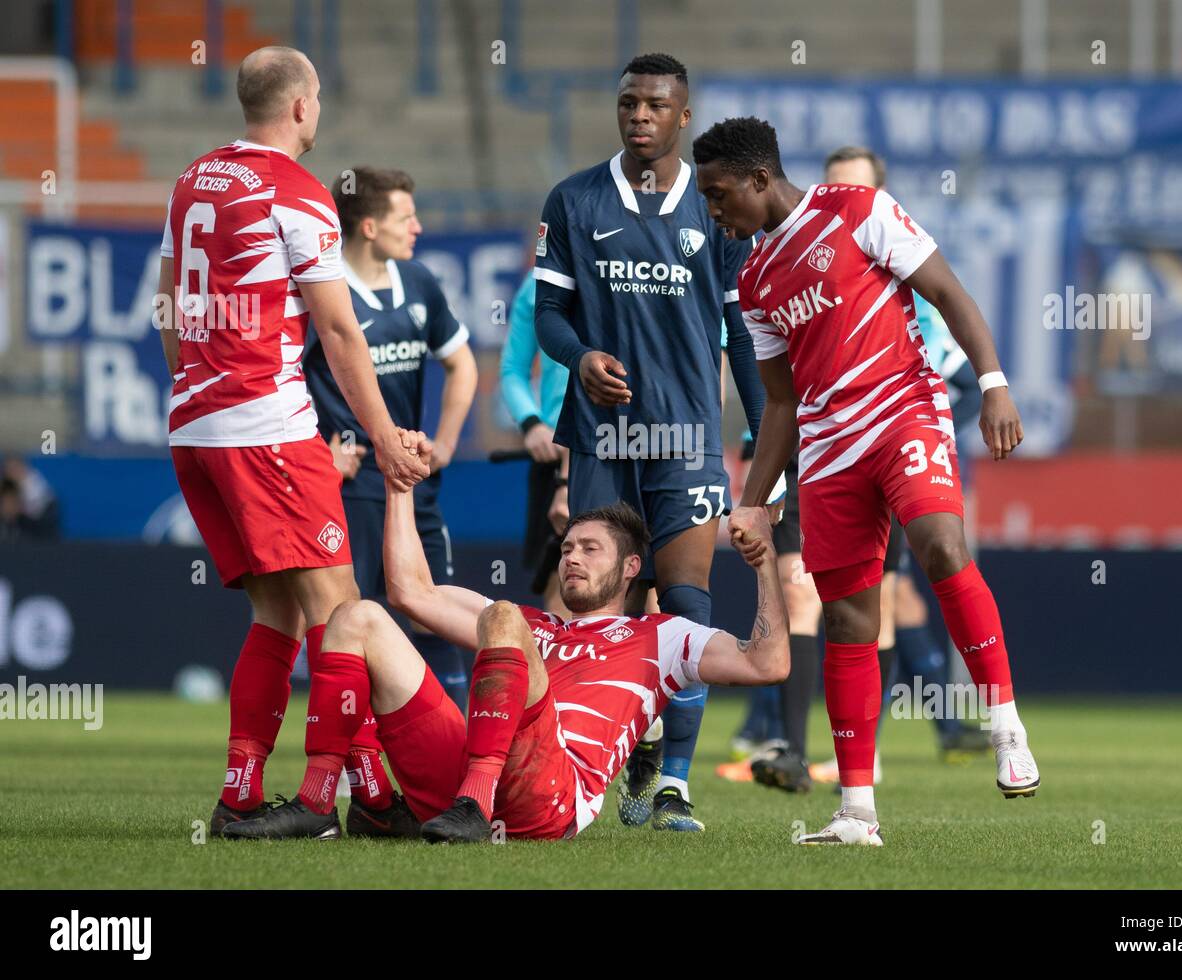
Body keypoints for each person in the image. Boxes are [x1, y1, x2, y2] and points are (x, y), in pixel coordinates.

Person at [694, 116, 1040, 846]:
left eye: (720, 196)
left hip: (905, 412)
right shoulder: (753, 282)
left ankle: (1005, 726)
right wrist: (752, 502)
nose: (716, 212)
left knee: (942, 545)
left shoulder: (858, 210)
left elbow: (949, 294)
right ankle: (856, 813)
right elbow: (782, 403)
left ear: (760, 179)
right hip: (827, 453)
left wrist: (996, 385)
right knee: (850, 621)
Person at [221, 430, 790, 841]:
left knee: (503, 617)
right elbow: (412, 593)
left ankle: (473, 801)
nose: (572, 559)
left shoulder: (662, 636)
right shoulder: (532, 624)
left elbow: (767, 663)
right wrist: (399, 487)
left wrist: (765, 562)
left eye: (590, 550)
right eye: (567, 548)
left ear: (631, 568)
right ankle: (320, 804)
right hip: (473, 770)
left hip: (550, 800)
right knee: (355, 617)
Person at [156, 46, 428, 837]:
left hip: (197, 428)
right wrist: (381, 435)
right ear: (303, 107)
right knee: (343, 616)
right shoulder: (299, 194)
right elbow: (340, 330)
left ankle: (246, 792)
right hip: (266, 430)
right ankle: (349, 800)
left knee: (278, 616)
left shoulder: (192, 180)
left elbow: (169, 305)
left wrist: (198, 389)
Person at [533, 53, 766, 832]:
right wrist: (580, 358)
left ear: (683, 116)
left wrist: (768, 437)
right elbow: (550, 319)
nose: (639, 116)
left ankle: (672, 783)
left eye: (655, 105)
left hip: (689, 435)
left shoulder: (714, 205)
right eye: (628, 103)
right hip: (602, 433)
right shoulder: (574, 199)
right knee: (604, 606)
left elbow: (740, 331)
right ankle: (608, 759)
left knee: (689, 607)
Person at [304, 164, 477, 727]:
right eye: (407, 217)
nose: (419, 227)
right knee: (359, 621)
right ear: (371, 227)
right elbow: (281, 376)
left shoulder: (420, 282)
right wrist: (316, 449)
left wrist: (446, 442)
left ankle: (459, 758)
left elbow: (463, 364)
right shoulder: (320, 295)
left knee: (437, 614)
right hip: (352, 490)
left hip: (412, 481)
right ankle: (365, 767)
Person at [498, 274, 571, 616]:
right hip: (555, 459)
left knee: (649, 585)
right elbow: (513, 368)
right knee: (566, 587)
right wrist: (532, 423)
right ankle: (566, 669)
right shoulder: (537, 283)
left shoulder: (629, 267)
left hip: (632, 449)